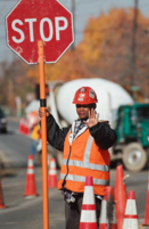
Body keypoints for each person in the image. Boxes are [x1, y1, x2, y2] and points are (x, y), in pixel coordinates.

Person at [39, 86, 117, 229]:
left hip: (91, 192)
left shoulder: (102, 128)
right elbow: (57, 139)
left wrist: (95, 128)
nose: (81, 109)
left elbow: (108, 139)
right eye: (78, 105)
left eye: (85, 106)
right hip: (72, 190)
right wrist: (47, 119)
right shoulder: (73, 129)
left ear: (93, 107)